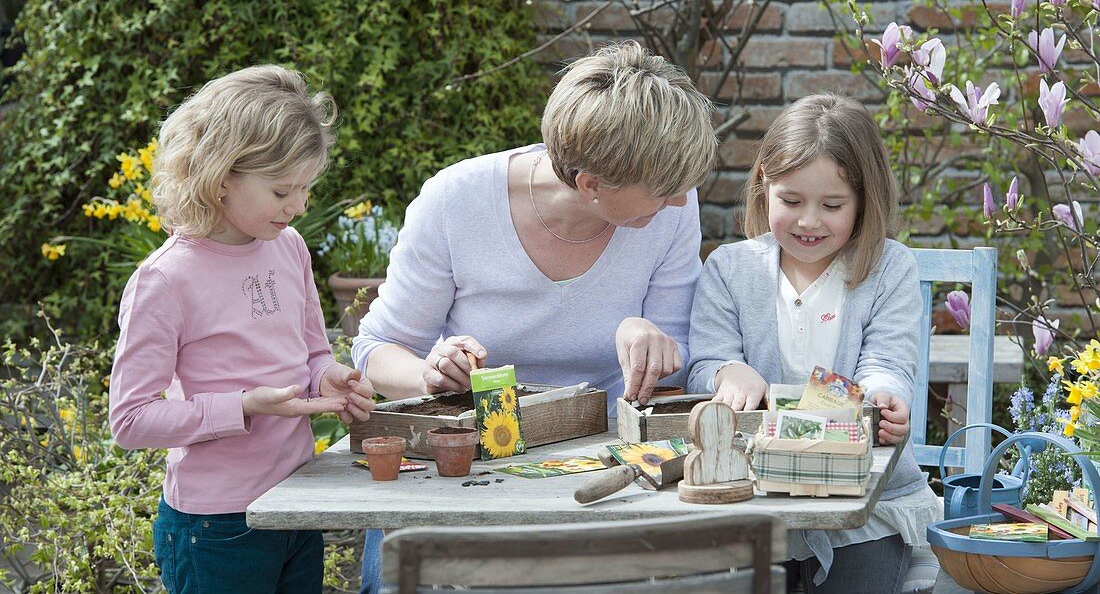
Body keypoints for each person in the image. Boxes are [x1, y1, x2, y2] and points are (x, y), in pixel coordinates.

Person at [352, 40, 718, 593]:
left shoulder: (673, 210)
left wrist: (648, 336)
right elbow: (377, 347)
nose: (677, 202)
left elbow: (677, 367)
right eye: (664, 190)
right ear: (592, 184)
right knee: (398, 574)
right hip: (470, 458)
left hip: (603, 461)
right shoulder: (456, 201)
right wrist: (427, 375)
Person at [109, 66, 376, 593]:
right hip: (217, 526)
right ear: (221, 175)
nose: (299, 206)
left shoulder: (289, 246)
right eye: (282, 191)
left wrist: (329, 378)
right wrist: (245, 406)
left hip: (297, 502)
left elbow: (312, 354)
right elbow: (131, 420)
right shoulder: (164, 280)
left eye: (305, 188)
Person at [686, 94, 940, 593]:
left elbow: (888, 359)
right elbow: (704, 362)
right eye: (791, 201)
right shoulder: (730, 269)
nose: (808, 222)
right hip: (753, 496)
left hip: (863, 502)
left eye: (831, 206)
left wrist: (885, 396)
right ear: (764, 189)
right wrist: (725, 372)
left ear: (864, 201)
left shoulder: (888, 268)